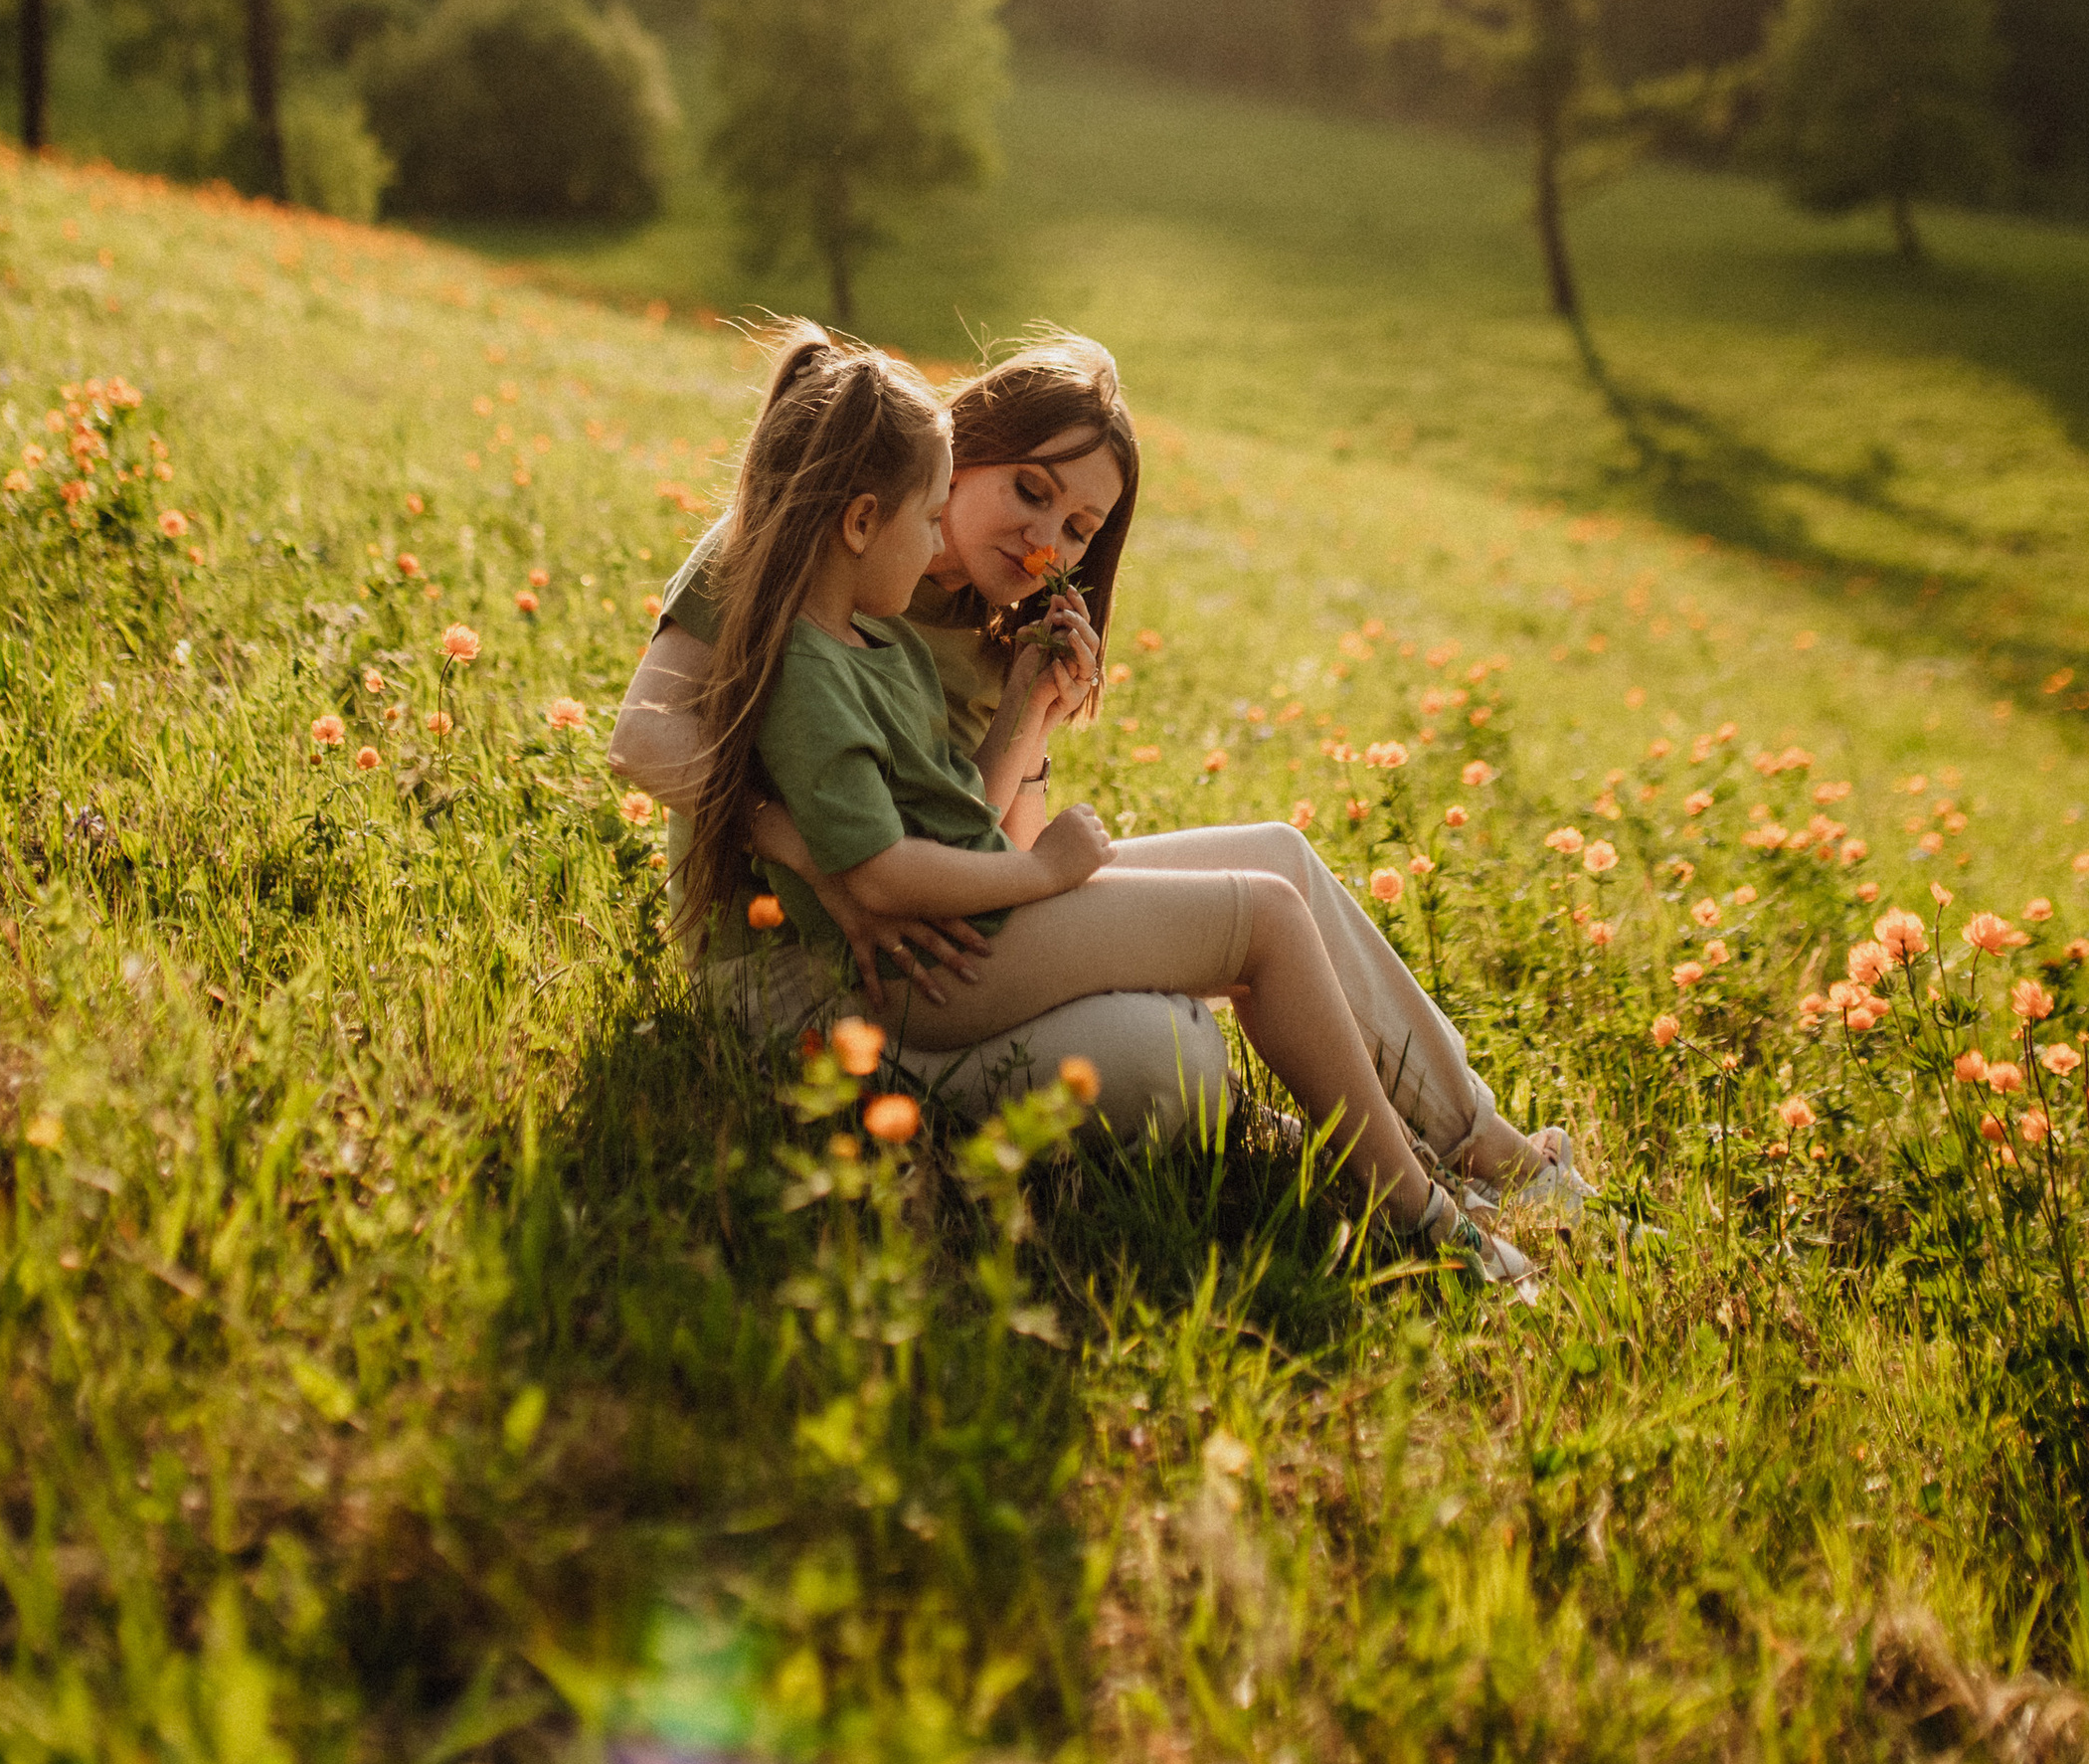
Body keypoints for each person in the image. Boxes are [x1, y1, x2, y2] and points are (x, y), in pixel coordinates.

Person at [628, 321, 1540, 1286]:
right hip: (802, 961)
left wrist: (1030, 716)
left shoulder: (976, 637)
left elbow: (980, 849)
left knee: (1277, 860)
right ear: (958, 448)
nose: (1044, 543)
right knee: (1172, 1050)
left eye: (1077, 530)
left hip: (934, 940)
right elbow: (643, 738)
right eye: (1029, 491)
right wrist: (832, 864)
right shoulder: (794, 548)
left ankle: (1481, 1147)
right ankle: (1398, 1189)